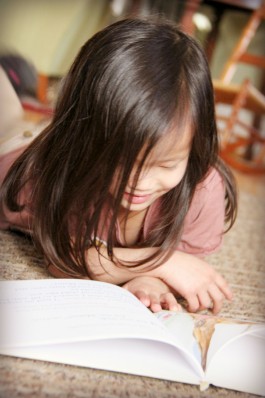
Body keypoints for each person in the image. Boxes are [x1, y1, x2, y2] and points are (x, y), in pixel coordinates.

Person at [0, 17, 237, 315]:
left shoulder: (203, 188)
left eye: (166, 164)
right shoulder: (68, 169)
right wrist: (164, 261)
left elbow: (187, 268)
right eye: (122, 162)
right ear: (80, 141)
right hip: (16, 152)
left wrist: (148, 281)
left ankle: (23, 89)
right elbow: (65, 259)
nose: (139, 183)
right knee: (10, 122)